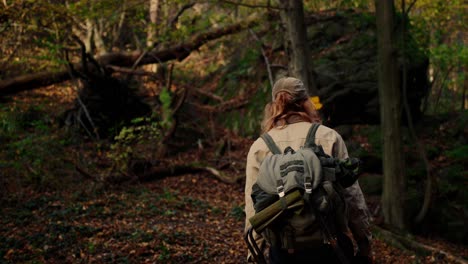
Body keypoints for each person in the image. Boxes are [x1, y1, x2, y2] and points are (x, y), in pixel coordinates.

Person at [244, 77, 372, 263]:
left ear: (274, 106)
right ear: (306, 102)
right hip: (330, 247)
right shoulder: (328, 137)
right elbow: (352, 196)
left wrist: (254, 253)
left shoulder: (260, 146)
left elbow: (252, 205)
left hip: (284, 252)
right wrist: (364, 244)